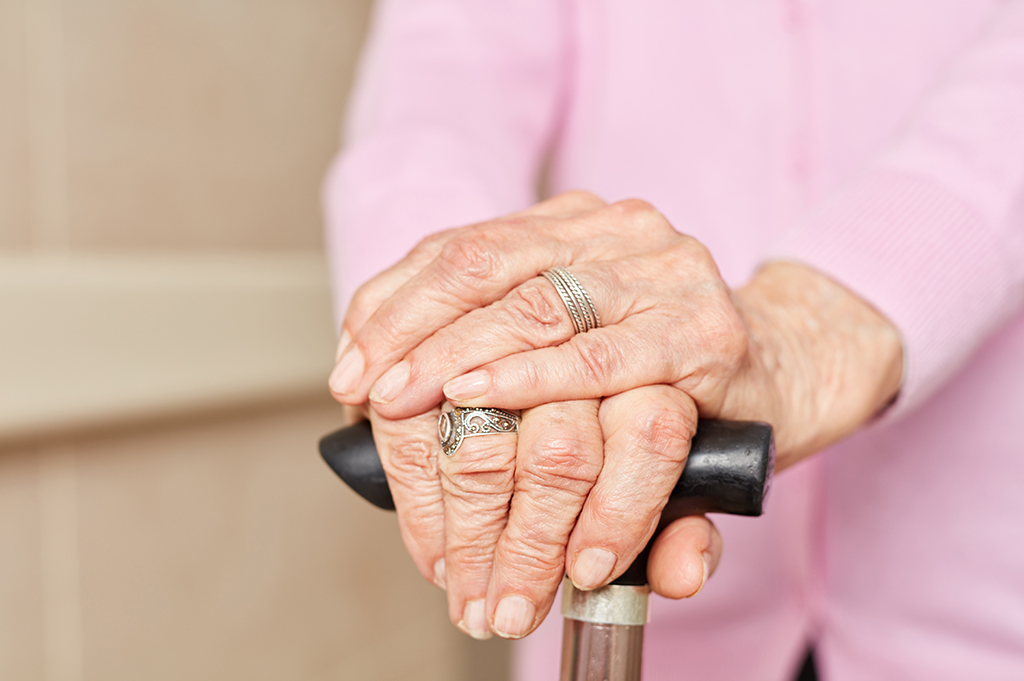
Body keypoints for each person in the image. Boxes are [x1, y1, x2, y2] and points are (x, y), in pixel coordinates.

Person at [324, 2, 1024, 679]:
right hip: (619, 528)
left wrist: (808, 326)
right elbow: (445, 76)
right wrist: (458, 345)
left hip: (984, 587)